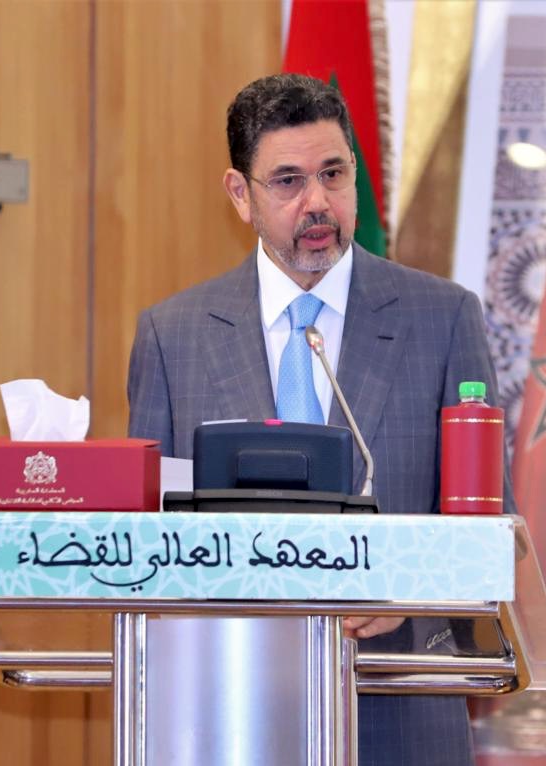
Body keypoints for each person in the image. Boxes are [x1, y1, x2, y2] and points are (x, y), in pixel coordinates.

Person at [126, 73, 509, 766]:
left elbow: (488, 531)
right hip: (226, 713)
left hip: (401, 714)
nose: (318, 202)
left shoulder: (442, 318)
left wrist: (410, 592)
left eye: (333, 173)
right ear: (240, 194)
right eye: (288, 181)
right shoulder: (173, 335)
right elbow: (145, 539)